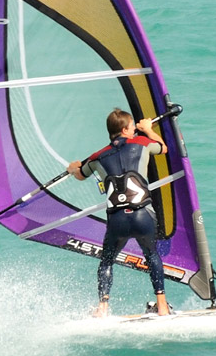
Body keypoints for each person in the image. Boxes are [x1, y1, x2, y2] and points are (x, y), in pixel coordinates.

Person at [67, 108, 170, 317]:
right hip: (143, 216)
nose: (135, 129)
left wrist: (73, 168)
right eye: (133, 126)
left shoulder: (97, 157)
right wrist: (148, 129)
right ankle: (162, 307)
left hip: (118, 221)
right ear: (125, 129)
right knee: (151, 255)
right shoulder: (142, 144)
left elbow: (81, 174)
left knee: (107, 260)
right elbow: (162, 148)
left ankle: (103, 308)